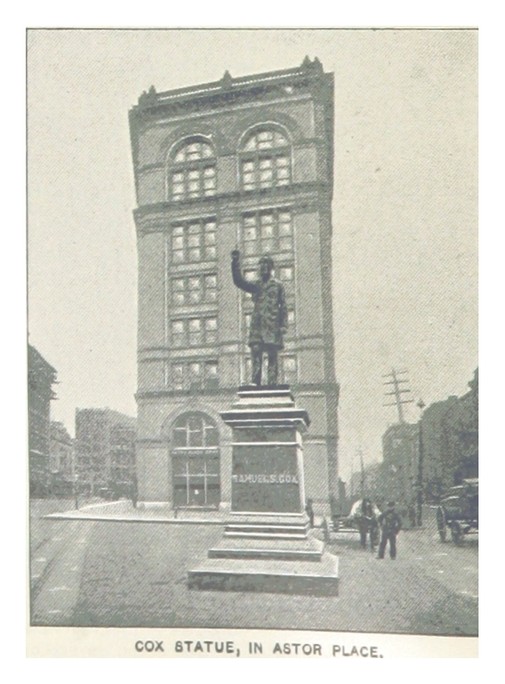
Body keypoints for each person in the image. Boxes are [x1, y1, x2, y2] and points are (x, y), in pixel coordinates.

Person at [231, 249, 288, 386]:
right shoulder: (256, 285)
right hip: (258, 324)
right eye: (261, 266)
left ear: (270, 268)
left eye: (266, 266)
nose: (263, 268)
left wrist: (283, 325)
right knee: (256, 352)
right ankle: (255, 382)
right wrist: (235, 263)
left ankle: (272, 382)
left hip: (273, 324)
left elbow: (283, 306)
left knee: (272, 355)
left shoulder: (278, 285)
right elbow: (240, 282)